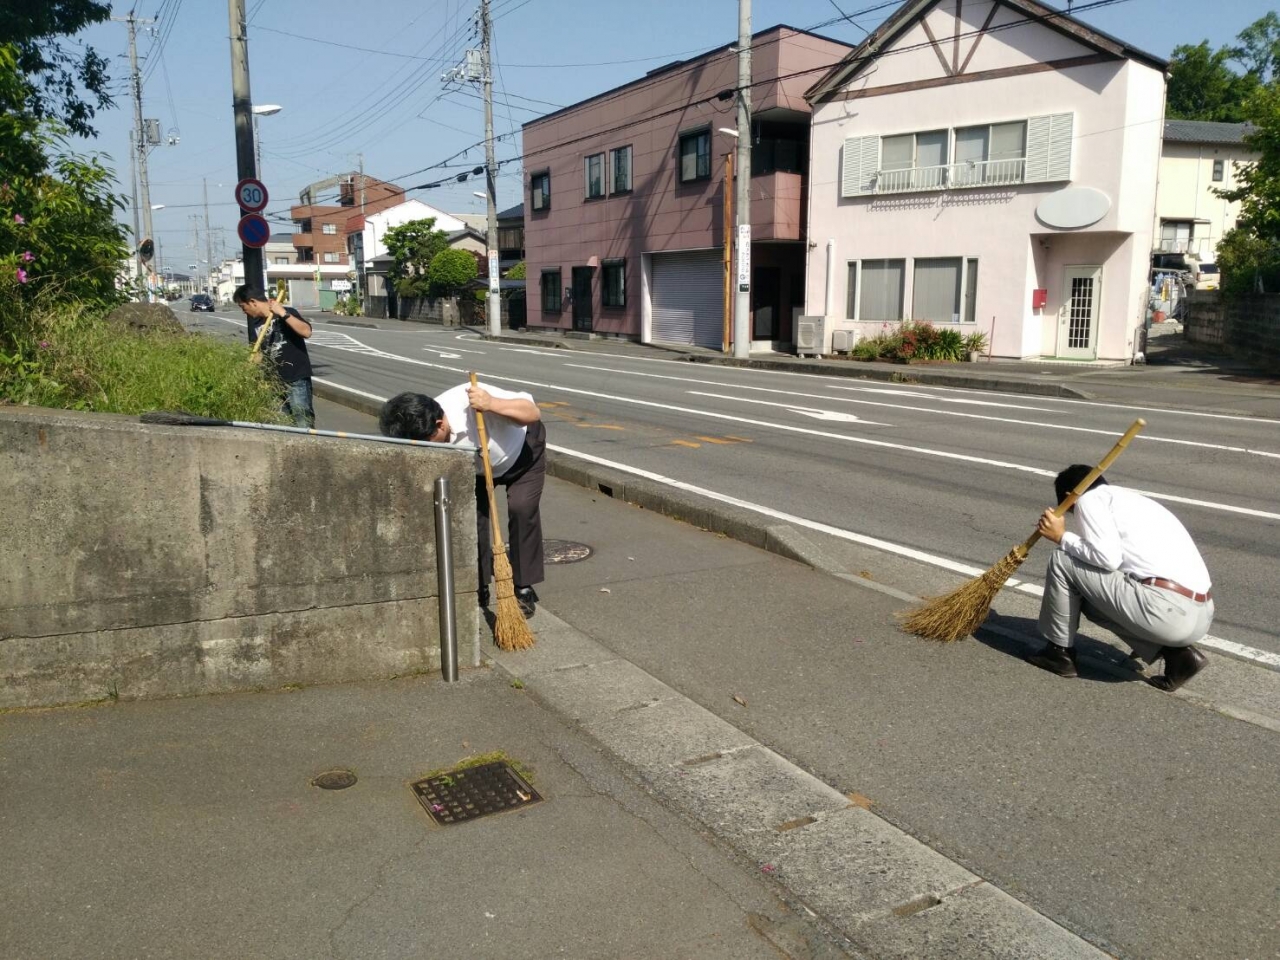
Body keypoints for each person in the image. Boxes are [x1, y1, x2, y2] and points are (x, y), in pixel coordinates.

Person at [1028, 465, 1214, 691]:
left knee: (1063, 558)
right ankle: (1179, 657)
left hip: (1167, 611)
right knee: (1087, 599)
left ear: (1069, 497)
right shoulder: (1131, 500)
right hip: (1199, 615)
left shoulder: (1088, 499)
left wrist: (1061, 536)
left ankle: (1058, 653)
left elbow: (1106, 559)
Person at [379, 382, 545, 617]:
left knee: (521, 508)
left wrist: (492, 404)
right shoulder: (421, 428)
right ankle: (479, 584)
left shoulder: (469, 399)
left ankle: (523, 585)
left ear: (440, 425)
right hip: (476, 469)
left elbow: (532, 412)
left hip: (522, 451)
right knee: (473, 520)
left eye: (428, 442)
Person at [232, 284, 315, 428]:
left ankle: (311, 449)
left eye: (242, 306)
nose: (243, 311)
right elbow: (259, 354)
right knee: (281, 425)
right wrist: (250, 367)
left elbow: (306, 332)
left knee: (303, 422)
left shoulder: (286, 313)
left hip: (296, 379)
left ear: (253, 302)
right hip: (274, 384)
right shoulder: (256, 325)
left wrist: (283, 313)